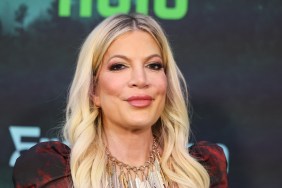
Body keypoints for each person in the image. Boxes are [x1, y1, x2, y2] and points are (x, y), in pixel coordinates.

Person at [13, 13, 228, 188]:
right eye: (119, 66)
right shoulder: (52, 173)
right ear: (93, 90)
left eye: (153, 65)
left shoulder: (203, 172)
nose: (140, 80)